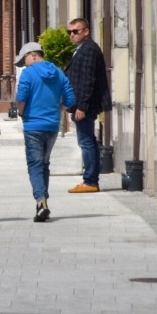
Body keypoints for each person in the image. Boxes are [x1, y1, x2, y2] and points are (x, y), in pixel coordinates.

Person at [15, 41, 75, 222]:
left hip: (33, 125)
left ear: (33, 55)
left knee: (35, 164)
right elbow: (70, 98)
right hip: (52, 126)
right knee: (44, 163)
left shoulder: (28, 74)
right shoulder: (58, 72)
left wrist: (21, 111)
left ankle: (41, 202)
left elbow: (21, 98)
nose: (23, 65)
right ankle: (42, 203)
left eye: (24, 59)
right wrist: (59, 111)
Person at [64, 18, 112, 193]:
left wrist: (82, 107)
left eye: (76, 31)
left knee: (86, 141)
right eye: (70, 32)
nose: (72, 35)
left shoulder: (89, 50)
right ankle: (90, 179)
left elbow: (87, 80)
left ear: (86, 31)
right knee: (86, 140)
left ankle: (90, 181)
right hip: (82, 104)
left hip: (86, 105)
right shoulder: (82, 49)